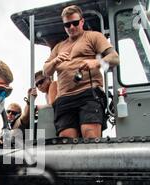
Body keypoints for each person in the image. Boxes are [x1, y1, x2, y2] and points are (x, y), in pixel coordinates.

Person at [43, 5, 119, 139]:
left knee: (90, 137)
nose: (71, 27)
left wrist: (96, 62)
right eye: (67, 24)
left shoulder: (94, 36)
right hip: (64, 98)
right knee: (66, 141)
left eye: (75, 23)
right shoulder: (58, 47)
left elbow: (115, 58)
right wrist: (55, 61)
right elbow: (46, 72)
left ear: (82, 21)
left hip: (89, 94)